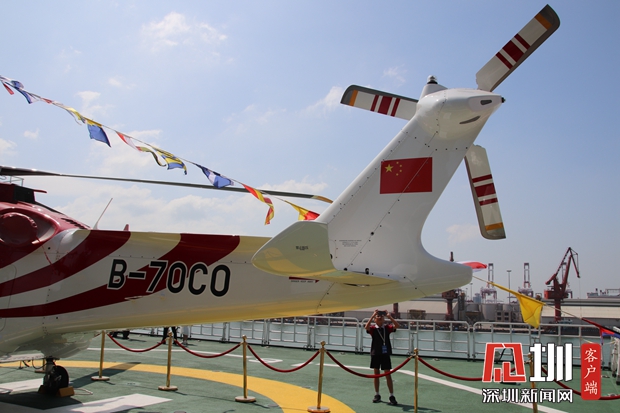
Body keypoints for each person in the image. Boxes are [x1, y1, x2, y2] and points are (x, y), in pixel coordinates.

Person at [365, 309, 400, 405]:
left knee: (388, 374)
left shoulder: (387, 328)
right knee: (376, 374)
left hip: (385, 353)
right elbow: (366, 327)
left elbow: (397, 326)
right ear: (375, 320)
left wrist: (389, 316)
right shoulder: (373, 328)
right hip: (375, 353)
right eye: (378, 317)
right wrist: (372, 316)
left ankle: (391, 395)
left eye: (381, 316)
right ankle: (377, 394)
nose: (380, 318)